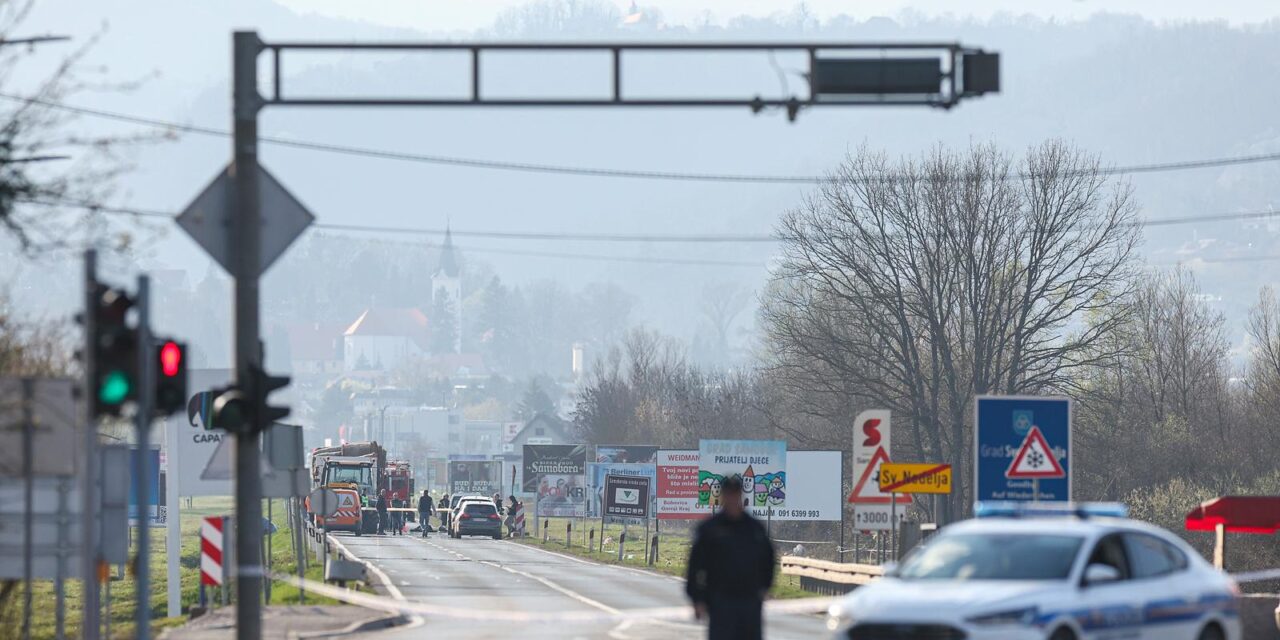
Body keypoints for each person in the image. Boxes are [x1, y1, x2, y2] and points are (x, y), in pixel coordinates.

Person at [685, 475, 775, 640]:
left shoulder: (754, 528)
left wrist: (765, 587)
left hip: (750, 601)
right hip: (720, 601)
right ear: (723, 496)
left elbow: (768, 559)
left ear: (741, 495)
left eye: (735, 494)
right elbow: (695, 564)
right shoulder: (710, 529)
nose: (732, 498)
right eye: (729, 494)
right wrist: (696, 598)